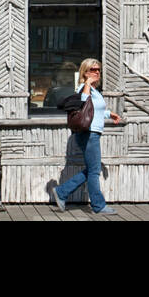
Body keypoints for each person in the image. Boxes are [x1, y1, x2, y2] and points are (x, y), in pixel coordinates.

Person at [52, 58, 122, 215]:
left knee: (91, 169)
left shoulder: (94, 91)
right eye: (93, 70)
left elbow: (93, 111)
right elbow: (83, 104)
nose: (97, 72)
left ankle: (62, 191)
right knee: (94, 171)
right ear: (85, 72)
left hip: (92, 133)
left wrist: (109, 114)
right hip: (89, 133)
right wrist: (88, 83)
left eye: (98, 70)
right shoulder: (85, 88)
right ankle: (98, 206)